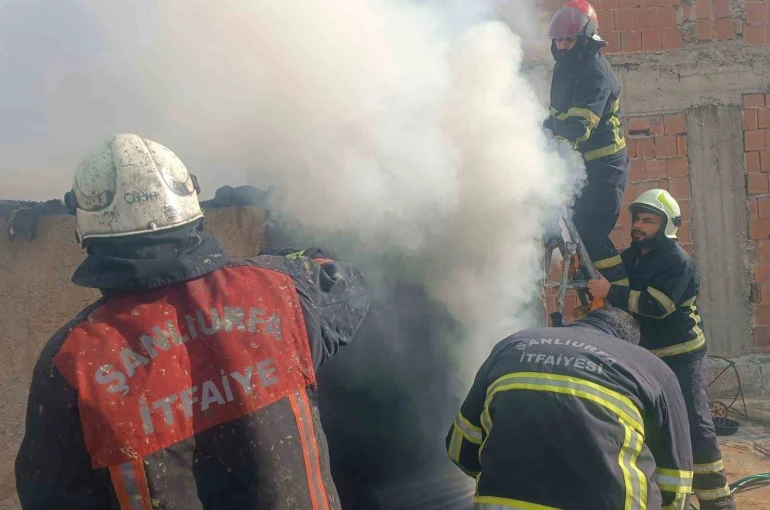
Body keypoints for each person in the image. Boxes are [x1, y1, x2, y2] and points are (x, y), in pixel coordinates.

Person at [15, 134, 370, 510]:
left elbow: (50, 495)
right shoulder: (281, 290)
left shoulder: (75, 359)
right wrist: (283, 261)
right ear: (189, 198)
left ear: (86, 225)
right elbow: (347, 287)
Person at [447, 306, 693, 510]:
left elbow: (460, 448)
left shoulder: (512, 344)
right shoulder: (651, 369)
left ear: (578, 324)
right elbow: (675, 481)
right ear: (628, 342)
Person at [587, 189, 735, 510]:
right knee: (652, 427)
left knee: (695, 426)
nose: (639, 226)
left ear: (666, 226)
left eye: (648, 220)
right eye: (637, 219)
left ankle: (717, 502)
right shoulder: (637, 254)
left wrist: (611, 291)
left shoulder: (677, 262)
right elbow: (614, 269)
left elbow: (657, 305)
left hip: (682, 356)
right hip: (648, 357)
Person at [544, 0, 629, 287]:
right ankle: (593, 289)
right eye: (559, 40)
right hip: (582, 166)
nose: (563, 45)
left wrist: (547, 148)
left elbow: (580, 128)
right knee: (577, 228)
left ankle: (618, 290)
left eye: (569, 39)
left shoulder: (594, 72)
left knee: (591, 232)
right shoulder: (565, 67)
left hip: (604, 170)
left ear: (586, 39)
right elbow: (559, 117)